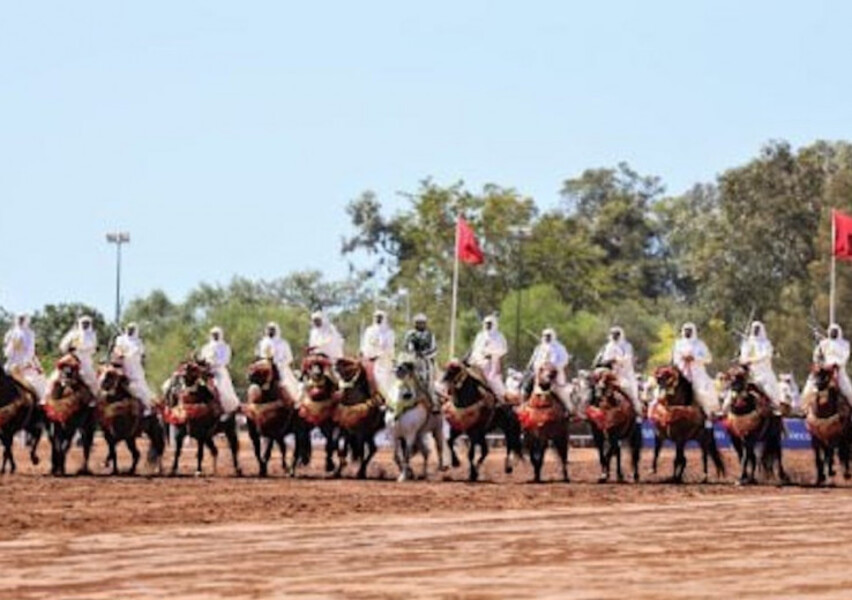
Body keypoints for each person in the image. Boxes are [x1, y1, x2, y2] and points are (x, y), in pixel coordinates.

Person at [665, 322, 716, 428]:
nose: (687, 332)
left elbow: (708, 359)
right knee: (662, 392)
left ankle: (707, 416)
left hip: (697, 374)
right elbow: (673, 360)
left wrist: (695, 358)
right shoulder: (678, 344)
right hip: (680, 373)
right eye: (686, 330)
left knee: (703, 394)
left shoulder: (700, 344)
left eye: (690, 330)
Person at [734, 321, 782, 414]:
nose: (755, 331)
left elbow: (766, 355)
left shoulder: (766, 343)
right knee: (734, 389)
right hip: (749, 372)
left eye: (757, 328)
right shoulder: (747, 343)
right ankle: (723, 409)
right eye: (754, 328)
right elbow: (743, 358)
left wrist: (751, 360)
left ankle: (775, 406)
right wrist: (746, 360)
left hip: (764, 372)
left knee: (771, 390)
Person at [596, 327, 642, 423]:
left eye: (616, 334)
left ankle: (637, 413)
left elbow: (628, 358)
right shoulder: (608, 346)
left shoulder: (627, 346)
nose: (614, 336)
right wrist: (613, 360)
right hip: (612, 373)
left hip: (626, 374)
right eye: (613, 334)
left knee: (632, 391)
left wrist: (618, 359)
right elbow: (605, 359)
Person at [802, 323, 852, 412]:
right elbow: (816, 356)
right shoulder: (824, 343)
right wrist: (819, 362)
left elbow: (845, 357)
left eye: (835, 331)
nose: (833, 333)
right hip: (823, 369)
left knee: (848, 389)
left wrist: (835, 364)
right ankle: (804, 408)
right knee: (809, 387)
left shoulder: (845, 344)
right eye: (832, 331)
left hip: (838, 370)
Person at [111, 323, 155, 414]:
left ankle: (147, 407)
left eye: (132, 329)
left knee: (140, 387)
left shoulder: (138, 342)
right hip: (120, 366)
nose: (130, 330)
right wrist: (119, 353)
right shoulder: (120, 339)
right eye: (128, 328)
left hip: (134, 368)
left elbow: (135, 352)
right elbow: (117, 349)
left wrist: (126, 354)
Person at [2, 314, 46, 400]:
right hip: (12, 361)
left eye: (22, 319)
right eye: (19, 319)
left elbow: (30, 350)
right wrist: (12, 346)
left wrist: (24, 362)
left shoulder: (30, 333)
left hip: (26, 362)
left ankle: (40, 401)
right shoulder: (11, 333)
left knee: (37, 380)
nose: (20, 320)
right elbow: (7, 351)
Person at [528, 328, 573, 412]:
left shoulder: (560, 348)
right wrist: (539, 366)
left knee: (561, 391)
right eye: (545, 336)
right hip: (539, 373)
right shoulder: (539, 348)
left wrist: (553, 366)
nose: (546, 338)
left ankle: (569, 410)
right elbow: (534, 361)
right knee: (526, 387)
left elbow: (564, 360)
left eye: (548, 336)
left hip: (555, 372)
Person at [200, 327, 241, 416]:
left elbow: (225, 360)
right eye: (213, 334)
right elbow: (202, 359)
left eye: (217, 334)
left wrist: (213, 364)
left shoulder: (225, 347)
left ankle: (225, 409)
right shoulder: (205, 347)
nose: (215, 336)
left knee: (221, 388)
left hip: (219, 371)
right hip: (206, 371)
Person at [469, 314, 508, 401]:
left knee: (492, 379)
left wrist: (491, 354)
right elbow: (475, 349)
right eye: (486, 323)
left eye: (489, 323)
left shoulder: (499, 336)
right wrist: (476, 357)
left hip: (492, 362)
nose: (487, 325)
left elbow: (503, 349)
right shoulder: (480, 336)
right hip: (478, 361)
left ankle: (501, 396)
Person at [402, 313, 438, 407]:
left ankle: (432, 399)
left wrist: (426, 355)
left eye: (422, 323)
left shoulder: (430, 335)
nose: (420, 325)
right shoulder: (410, 334)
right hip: (412, 358)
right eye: (418, 323)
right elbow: (406, 346)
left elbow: (434, 349)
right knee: (404, 371)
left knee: (429, 378)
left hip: (426, 359)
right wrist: (412, 352)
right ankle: (407, 391)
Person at [58, 315, 99, 396]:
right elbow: (63, 345)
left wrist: (93, 349)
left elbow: (93, 348)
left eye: (87, 323)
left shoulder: (92, 335)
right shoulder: (74, 333)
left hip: (86, 360)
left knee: (92, 379)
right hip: (73, 358)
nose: (85, 325)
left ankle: (94, 398)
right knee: (60, 375)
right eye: (83, 323)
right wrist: (69, 348)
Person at [360, 310, 396, 401]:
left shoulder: (389, 332)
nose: (378, 319)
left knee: (384, 379)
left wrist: (379, 355)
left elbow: (389, 347)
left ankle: (384, 399)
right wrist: (368, 354)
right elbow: (365, 345)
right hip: (369, 358)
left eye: (380, 317)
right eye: (376, 317)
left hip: (383, 361)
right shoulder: (369, 330)